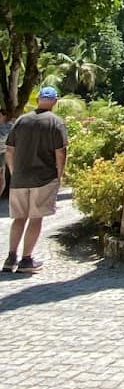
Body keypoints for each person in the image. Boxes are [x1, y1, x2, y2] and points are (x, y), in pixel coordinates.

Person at [2, 87, 68, 274]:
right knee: (35, 218)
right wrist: (59, 175)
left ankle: (10, 257)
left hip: (19, 178)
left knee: (19, 219)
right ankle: (26, 260)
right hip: (44, 178)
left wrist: (14, 172)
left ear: (38, 99)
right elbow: (60, 153)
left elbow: (9, 149)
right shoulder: (56, 122)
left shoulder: (22, 120)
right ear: (55, 101)